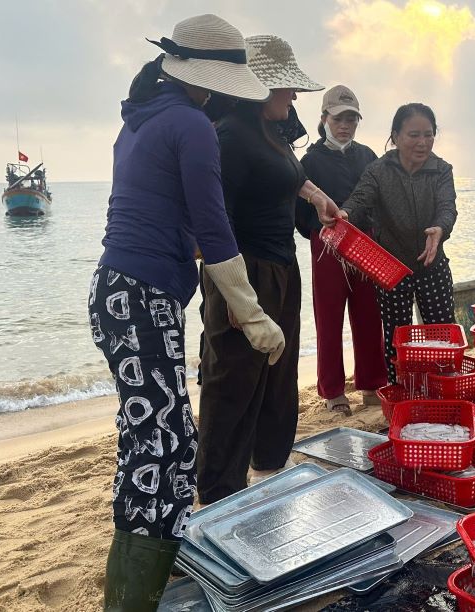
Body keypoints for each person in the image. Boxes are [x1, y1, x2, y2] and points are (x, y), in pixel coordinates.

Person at [88, 14, 287, 610]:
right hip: (143, 298)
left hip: (115, 292)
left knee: (157, 440)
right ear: (211, 79)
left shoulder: (142, 119)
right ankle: (131, 599)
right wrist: (252, 312)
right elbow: (214, 227)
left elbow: (160, 213)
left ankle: (155, 572)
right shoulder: (192, 125)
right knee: (162, 445)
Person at [196, 35, 332, 504]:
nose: (293, 96)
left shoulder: (272, 129)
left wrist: (316, 197)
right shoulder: (231, 135)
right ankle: (219, 492)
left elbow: (287, 176)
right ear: (257, 87)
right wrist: (236, 299)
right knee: (234, 382)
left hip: (280, 267)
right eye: (286, 86)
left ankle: (270, 464)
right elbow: (216, 221)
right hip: (244, 270)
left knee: (277, 374)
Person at [340, 103, 458, 382]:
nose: (423, 142)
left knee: (443, 336)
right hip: (391, 269)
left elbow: (447, 207)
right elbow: (359, 200)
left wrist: (440, 229)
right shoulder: (378, 171)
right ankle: (401, 389)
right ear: (395, 136)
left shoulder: (441, 170)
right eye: (414, 135)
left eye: (428, 134)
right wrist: (344, 214)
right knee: (397, 339)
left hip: (432, 263)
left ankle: (443, 388)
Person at [298, 85, 388, 415]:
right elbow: (299, 212)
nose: (345, 125)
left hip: (365, 244)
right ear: (324, 119)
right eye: (338, 119)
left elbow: (379, 201)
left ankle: (372, 383)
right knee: (329, 317)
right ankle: (333, 390)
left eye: (351, 119)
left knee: (369, 315)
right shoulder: (309, 161)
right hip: (326, 246)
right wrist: (322, 231)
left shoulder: (368, 156)